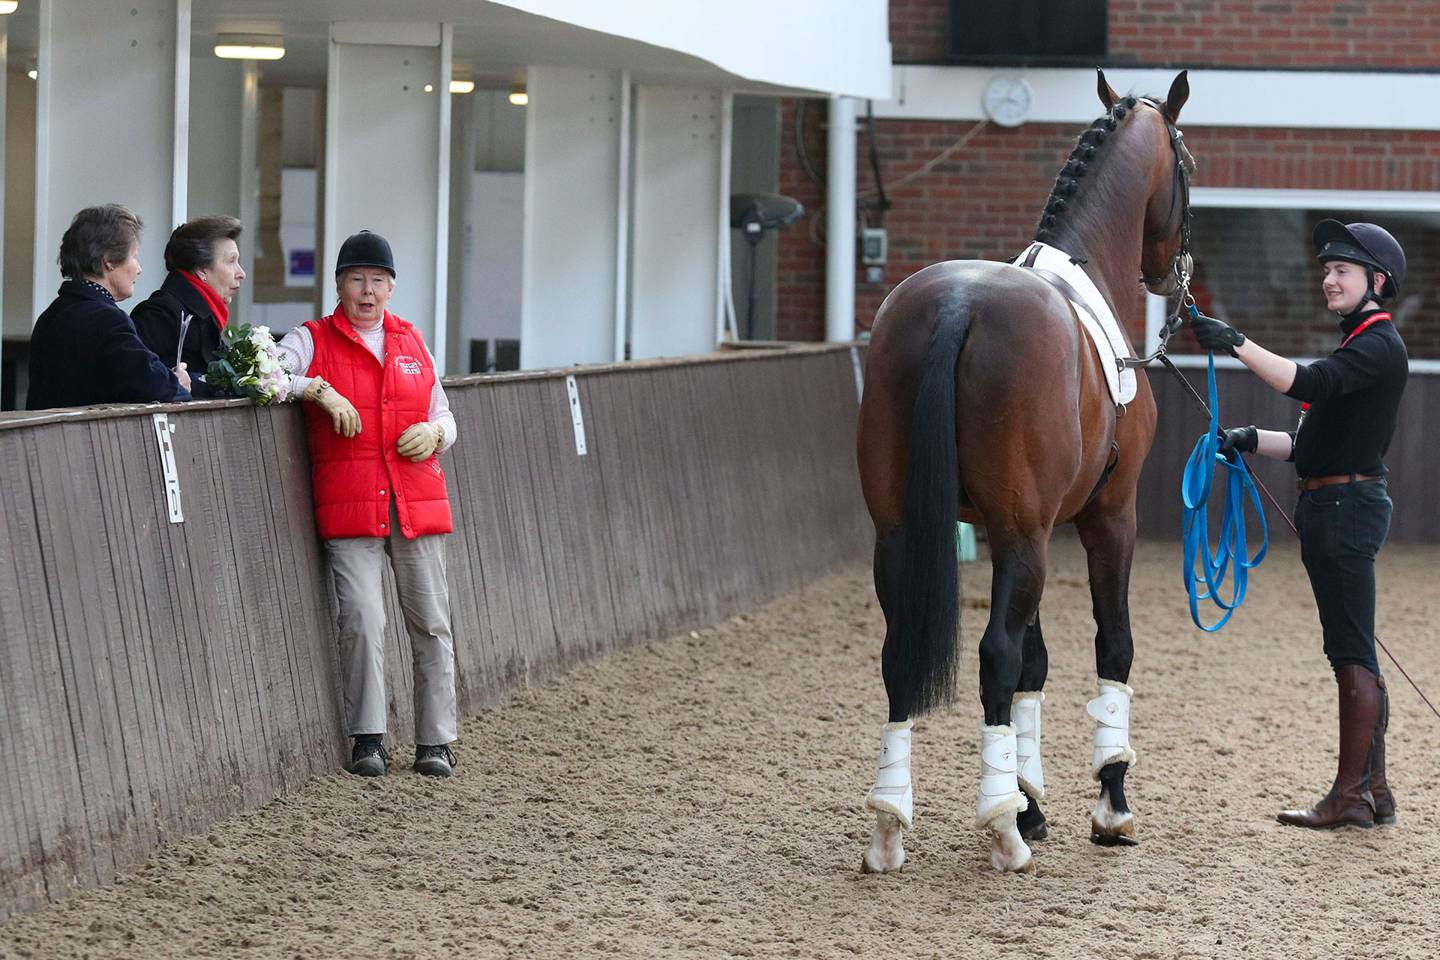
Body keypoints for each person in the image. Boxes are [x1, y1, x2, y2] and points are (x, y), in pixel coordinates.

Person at [1191, 220, 1408, 830]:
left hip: (1345, 510)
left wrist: (1235, 341)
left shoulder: (1375, 345)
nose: (1328, 279)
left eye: (1342, 271)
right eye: (1328, 270)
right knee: (1353, 649)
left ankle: (1349, 797)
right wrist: (1250, 439)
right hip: (1336, 504)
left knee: (1351, 653)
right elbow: (1314, 444)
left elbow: (1304, 382)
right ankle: (1374, 792)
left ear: (1376, 281)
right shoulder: (1361, 345)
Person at [275, 230, 460, 779]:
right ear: (338, 284)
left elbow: (446, 413)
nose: (367, 291)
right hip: (351, 503)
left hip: (413, 500)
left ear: (392, 287)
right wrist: (316, 389)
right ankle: (368, 736)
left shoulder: (412, 342)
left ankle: (437, 740)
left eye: (377, 280)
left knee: (430, 622)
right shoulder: (311, 338)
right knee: (362, 616)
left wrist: (434, 433)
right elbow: (271, 374)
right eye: (357, 279)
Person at [27, 203, 191, 410]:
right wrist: (178, 383)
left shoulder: (51, 314)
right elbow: (156, 387)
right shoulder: (107, 319)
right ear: (109, 261)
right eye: (134, 256)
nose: (138, 268)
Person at [132, 216, 246, 398]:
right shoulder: (160, 314)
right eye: (231, 261)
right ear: (201, 269)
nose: (241, 273)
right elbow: (136, 381)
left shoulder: (204, 314)